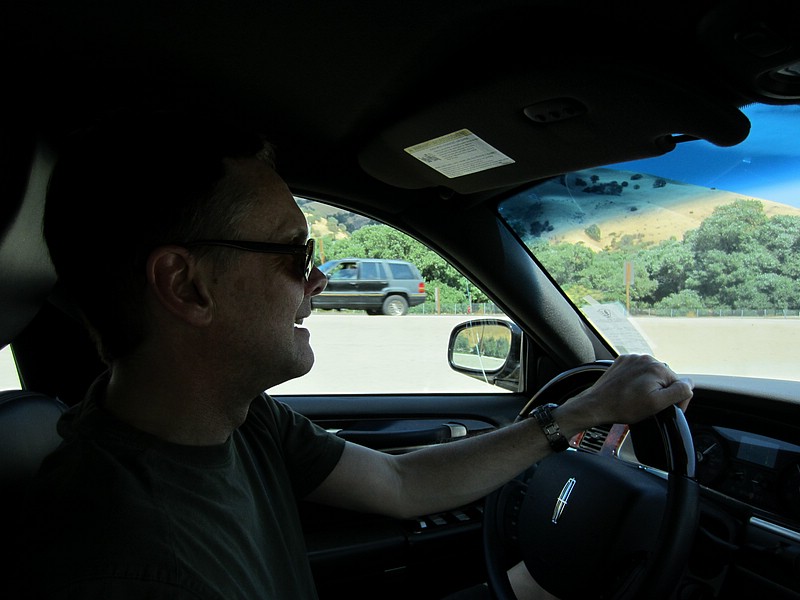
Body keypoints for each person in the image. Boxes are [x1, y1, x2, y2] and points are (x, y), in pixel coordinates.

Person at [14, 108, 693, 599]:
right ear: (188, 287)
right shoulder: (121, 563)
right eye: (294, 252)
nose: (317, 279)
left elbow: (402, 486)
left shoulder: (243, 421)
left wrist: (579, 414)